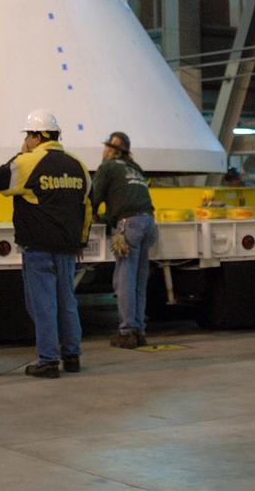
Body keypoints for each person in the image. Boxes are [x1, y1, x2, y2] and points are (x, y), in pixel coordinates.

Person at [0, 109, 91, 379]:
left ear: (36, 136)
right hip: (69, 247)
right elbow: (87, 207)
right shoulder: (78, 165)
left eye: (28, 136)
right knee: (66, 300)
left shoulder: (29, 161)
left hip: (39, 246)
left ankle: (48, 360)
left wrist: (20, 154)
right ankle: (72, 354)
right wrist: (81, 240)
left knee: (42, 304)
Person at [91, 131, 156, 349]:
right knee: (139, 279)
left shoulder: (107, 167)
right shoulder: (136, 168)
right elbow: (126, 196)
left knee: (124, 280)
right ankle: (139, 330)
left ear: (111, 150)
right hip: (148, 223)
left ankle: (127, 331)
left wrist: (90, 216)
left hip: (129, 225)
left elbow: (95, 197)